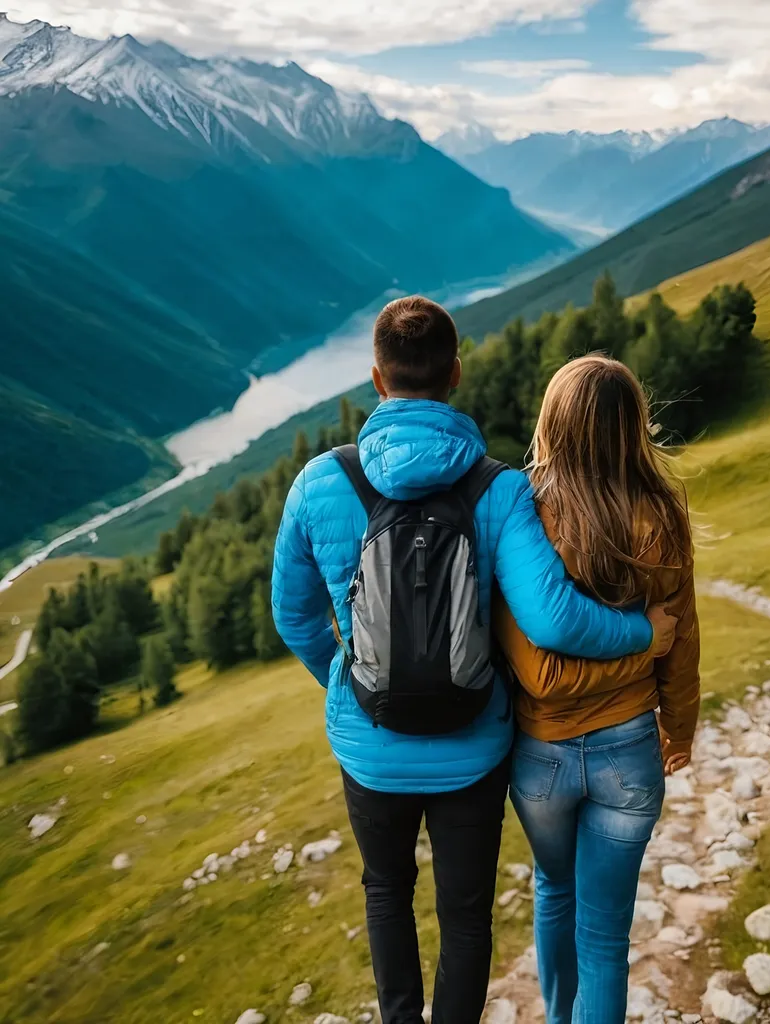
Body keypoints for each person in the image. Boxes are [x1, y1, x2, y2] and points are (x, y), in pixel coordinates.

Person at [271, 298, 675, 1024]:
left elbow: (294, 616)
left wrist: (355, 681)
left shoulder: (319, 483)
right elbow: (553, 617)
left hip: (371, 748)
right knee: (465, 917)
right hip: (473, 748)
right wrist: (643, 635)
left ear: (375, 377)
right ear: (455, 373)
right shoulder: (499, 488)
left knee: (386, 891)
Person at [493, 354, 701, 1024]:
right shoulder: (661, 513)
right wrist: (680, 723)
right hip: (631, 750)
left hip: (542, 757)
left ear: (554, 425)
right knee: (606, 940)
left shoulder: (525, 516)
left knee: (555, 889)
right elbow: (680, 631)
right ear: (632, 427)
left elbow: (539, 674)